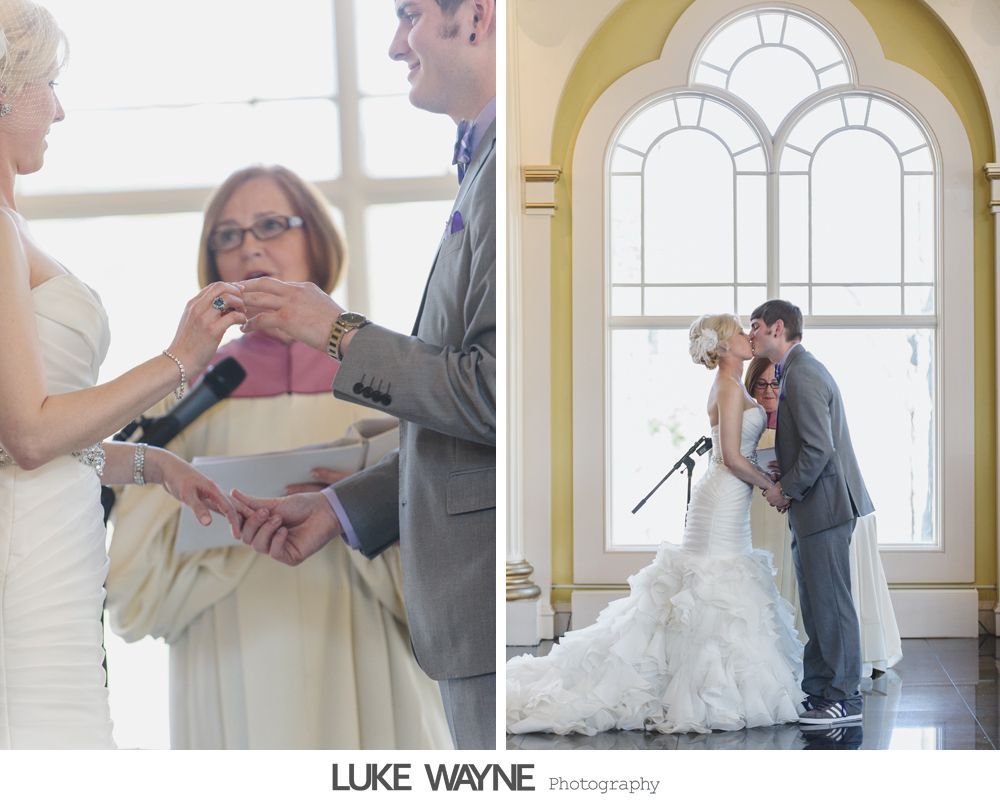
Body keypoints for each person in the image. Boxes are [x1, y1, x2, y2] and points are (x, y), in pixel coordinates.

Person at [105, 165, 452, 749]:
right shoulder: (186, 394)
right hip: (228, 640)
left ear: (316, 238)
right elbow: (138, 587)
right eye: (228, 235)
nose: (251, 247)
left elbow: (440, 518)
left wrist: (362, 504)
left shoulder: (388, 376)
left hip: (359, 633)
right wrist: (221, 512)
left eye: (271, 225)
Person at [227, 0, 496, 749]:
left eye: (407, 16)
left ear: (474, 16)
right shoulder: (482, 163)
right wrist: (342, 511)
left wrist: (334, 331)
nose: (392, 46)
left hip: (486, 601)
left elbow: (497, 396)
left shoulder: (509, 167)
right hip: (461, 611)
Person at [0, 0, 243, 749]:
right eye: (49, 84)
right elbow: (32, 436)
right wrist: (180, 361)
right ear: (5, 89)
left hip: (53, 549)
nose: (60, 111)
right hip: (27, 563)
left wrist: (152, 464)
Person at [506, 314, 803, 735]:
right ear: (722, 345)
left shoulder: (734, 385)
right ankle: (694, 688)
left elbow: (738, 455)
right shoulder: (726, 386)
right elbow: (733, 459)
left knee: (718, 588)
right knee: (712, 587)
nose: (746, 336)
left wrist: (764, 476)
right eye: (738, 331)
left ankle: (712, 682)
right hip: (721, 498)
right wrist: (769, 486)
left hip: (728, 498)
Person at [749, 299, 874, 726]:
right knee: (817, 605)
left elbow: (822, 448)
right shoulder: (796, 372)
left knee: (832, 605)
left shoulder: (802, 374)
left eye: (756, 327)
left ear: (778, 328)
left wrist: (785, 488)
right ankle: (820, 691)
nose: (751, 335)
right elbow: (812, 445)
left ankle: (844, 699)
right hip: (816, 507)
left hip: (825, 506)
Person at [745, 357, 902, 676]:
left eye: (774, 383)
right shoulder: (751, 420)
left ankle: (846, 664)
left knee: (832, 590)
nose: (768, 391)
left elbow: (819, 453)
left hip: (820, 502)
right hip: (778, 501)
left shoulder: (801, 405)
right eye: (760, 384)